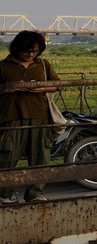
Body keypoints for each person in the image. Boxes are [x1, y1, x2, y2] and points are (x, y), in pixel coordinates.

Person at [0, 31, 59, 205]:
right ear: (17, 48)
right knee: (8, 156)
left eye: (35, 51)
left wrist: (40, 88)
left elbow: (56, 85)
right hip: (11, 116)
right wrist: (8, 89)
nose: (31, 54)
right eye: (27, 51)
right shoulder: (3, 66)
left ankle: (35, 193)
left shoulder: (43, 65)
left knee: (40, 157)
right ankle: (5, 193)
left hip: (40, 115)